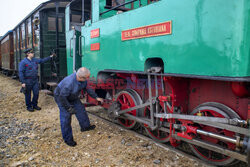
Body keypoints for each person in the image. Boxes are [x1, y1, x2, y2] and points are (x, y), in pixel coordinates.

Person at [54, 67, 104, 147]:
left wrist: (96, 97)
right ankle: (68, 139)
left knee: (81, 110)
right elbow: (62, 97)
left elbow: (88, 88)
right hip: (61, 98)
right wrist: (69, 107)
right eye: (87, 77)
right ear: (81, 77)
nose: (88, 79)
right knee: (66, 117)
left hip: (72, 96)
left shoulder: (83, 80)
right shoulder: (69, 83)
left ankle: (85, 127)